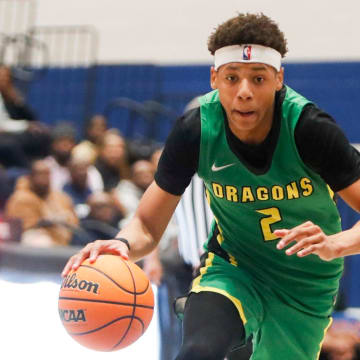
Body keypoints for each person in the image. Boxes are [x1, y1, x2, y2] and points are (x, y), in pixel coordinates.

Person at [62, 13, 360, 360]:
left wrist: (335, 244)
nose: (244, 92)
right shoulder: (196, 129)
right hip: (234, 267)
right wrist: (121, 245)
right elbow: (147, 224)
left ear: (279, 79)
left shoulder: (310, 129)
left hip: (304, 284)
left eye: (258, 78)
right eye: (232, 77)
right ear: (214, 78)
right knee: (198, 351)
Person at [5, 159, 78, 246]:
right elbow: (21, 227)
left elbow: (73, 220)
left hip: (65, 239)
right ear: (30, 177)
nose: (44, 178)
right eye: (40, 174)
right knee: (39, 240)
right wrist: (49, 221)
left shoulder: (60, 197)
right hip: (35, 241)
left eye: (47, 174)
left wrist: (66, 218)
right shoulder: (20, 198)